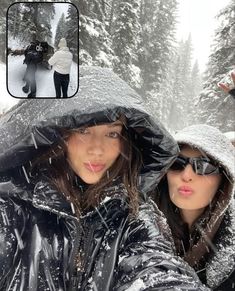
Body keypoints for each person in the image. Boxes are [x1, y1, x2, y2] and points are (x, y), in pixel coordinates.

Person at [0, 67, 209, 290]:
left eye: (112, 133)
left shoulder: (133, 217)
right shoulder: (14, 206)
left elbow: (156, 269)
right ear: (60, 135)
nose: (98, 149)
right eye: (84, 131)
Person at [154, 124, 235, 290]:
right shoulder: (134, 232)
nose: (187, 175)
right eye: (177, 162)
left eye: (204, 166)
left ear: (224, 178)